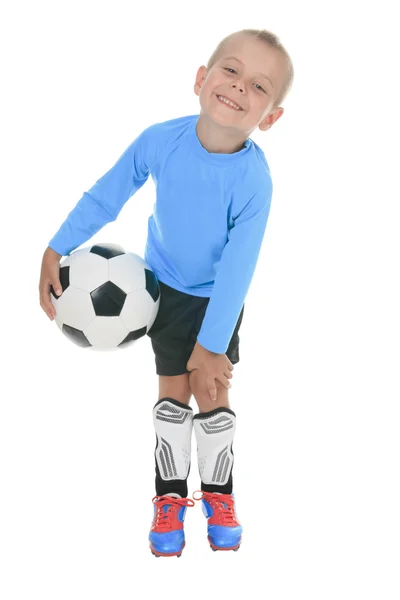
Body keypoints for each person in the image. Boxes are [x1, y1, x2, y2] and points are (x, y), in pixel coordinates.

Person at [39, 28, 294, 558]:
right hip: (164, 291)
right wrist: (57, 246)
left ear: (270, 118)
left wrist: (214, 341)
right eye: (229, 70)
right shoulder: (161, 140)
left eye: (258, 86)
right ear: (201, 79)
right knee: (173, 394)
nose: (238, 86)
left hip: (217, 297)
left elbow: (239, 268)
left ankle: (220, 498)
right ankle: (169, 501)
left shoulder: (253, 181)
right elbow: (109, 192)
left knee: (212, 390)